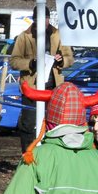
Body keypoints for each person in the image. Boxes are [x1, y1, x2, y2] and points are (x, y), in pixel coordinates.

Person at [10, 15, 74, 152]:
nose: (43, 21)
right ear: (34, 19)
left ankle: (52, 157)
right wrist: (30, 63)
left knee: (55, 124)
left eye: (46, 17)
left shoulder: (58, 35)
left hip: (53, 87)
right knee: (28, 124)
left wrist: (61, 60)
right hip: (31, 88)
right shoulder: (24, 36)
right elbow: (14, 61)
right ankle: (27, 156)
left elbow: (70, 58)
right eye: (40, 17)